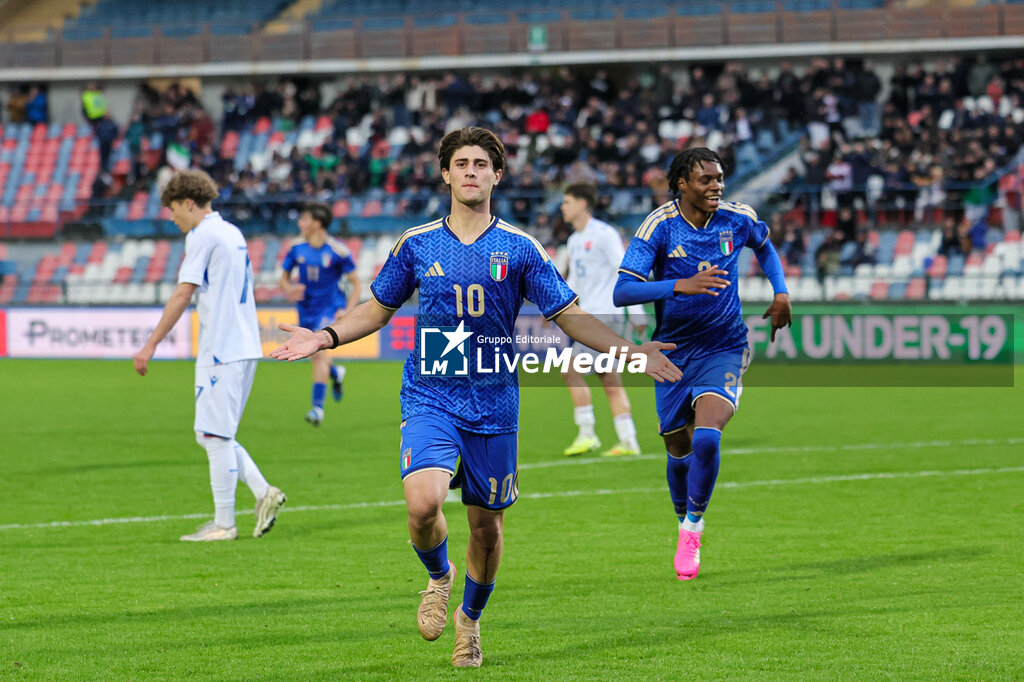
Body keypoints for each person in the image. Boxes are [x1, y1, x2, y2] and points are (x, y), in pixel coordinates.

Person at [270, 127, 680, 668]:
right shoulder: (416, 244)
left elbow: (570, 316)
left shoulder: (521, 247)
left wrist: (630, 352)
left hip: (493, 405)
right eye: (460, 163)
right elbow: (376, 307)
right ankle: (439, 578)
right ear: (445, 173)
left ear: (497, 175)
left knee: (486, 529)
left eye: (480, 164)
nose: (470, 171)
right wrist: (324, 336)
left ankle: (470, 619)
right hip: (429, 396)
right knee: (422, 506)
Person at [613, 147, 792, 582]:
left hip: (724, 346)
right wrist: (680, 285)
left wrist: (781, 291)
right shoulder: (658, 226)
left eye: (719, 178)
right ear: (682, 184)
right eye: (706, 180)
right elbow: (622, 291)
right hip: (672, 353)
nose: (716, 186)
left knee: (708, 437)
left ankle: (693, 527)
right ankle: (681, 517)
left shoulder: (737, 218)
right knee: (678, 450)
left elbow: (765, 247)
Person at [133, 170, 286, 542]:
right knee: (213, 433)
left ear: (188, 203)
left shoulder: (202, 235)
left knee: (215, 435)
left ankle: (224, 524)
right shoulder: (231, 232)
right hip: (242, 345)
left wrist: (151, 343)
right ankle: (262, 491)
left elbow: (183, 293)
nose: (172, 218)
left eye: (173, 210)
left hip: (222, 347)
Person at [559, 182, 648, 457]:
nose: (563, 207)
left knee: (569, 368)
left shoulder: (604, 234)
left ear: (583, 204)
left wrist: (636, 312)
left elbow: (625, 270)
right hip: (590, 314)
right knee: (609, 379)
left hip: (603, 314)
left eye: (567, 201)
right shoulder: (574, 240)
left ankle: (587, 433)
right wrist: (559, 307)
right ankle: (629, 439)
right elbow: (574, 281)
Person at [278, 201, 360, 426]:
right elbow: (283, 278)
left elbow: (355, 283)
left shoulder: (338, 251)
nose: (299, 223)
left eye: (304, 219)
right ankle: (335, 373)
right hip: (306, 309)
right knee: (317, 354)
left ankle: (317, 408)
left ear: (317, 223)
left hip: (330, 308)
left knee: (316, 354)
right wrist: (289, 289)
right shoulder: (296, 248)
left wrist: (348, 309)